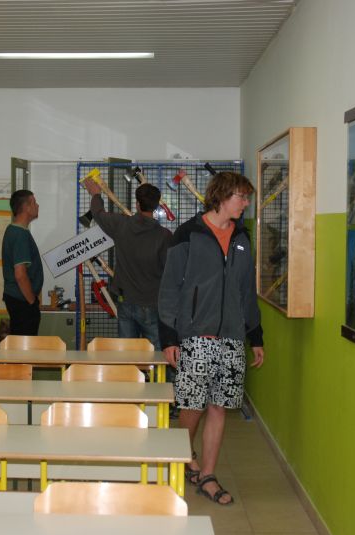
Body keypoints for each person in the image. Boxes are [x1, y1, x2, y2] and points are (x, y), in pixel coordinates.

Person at [158, 171, 265, 506]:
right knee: (193, 406)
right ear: (221, 196)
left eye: (247, 197)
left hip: (232, 338)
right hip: (194, 337)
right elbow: (169, 288)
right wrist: (169, 337)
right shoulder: (188, 234)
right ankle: (182, 453)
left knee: (219, 406)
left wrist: (255, 335)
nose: (245, 203)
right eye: (241, 197)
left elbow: (246, 291)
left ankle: (207, 475)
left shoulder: (242, 238)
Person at [82, 178, 172, 351]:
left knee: (127, 354)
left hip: (125, 302)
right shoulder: (164, 236)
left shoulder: (121, 224)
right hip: (152, 305)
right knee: (157, 355)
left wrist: (96, 194)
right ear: (156, 206)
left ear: (137, 204)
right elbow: (170, 272)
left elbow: (98, 213)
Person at [1, 190, 43, 335]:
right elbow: (20, 274)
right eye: (34, 202)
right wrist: (32, 301)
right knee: (25, 346)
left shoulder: (13, 230)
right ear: (27, 207)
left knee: (19, 344)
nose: (37, 205)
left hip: (18, 299)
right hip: (22, 301)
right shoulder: (20, 234)